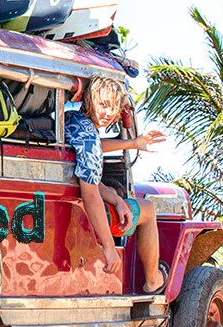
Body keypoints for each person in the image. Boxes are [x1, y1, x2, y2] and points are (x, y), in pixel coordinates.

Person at [65, 74, 168, 293]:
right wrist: (110, 249)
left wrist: (118, 200)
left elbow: (93, 154)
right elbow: (90, 195)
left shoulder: (74, 121)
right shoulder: (89, 138)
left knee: (111, 191)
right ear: (90, 100)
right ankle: (153, 281)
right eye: (103, 104)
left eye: (113, 107)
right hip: (81, 209)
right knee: (148, 210)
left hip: (69, 198)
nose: (108, 113)